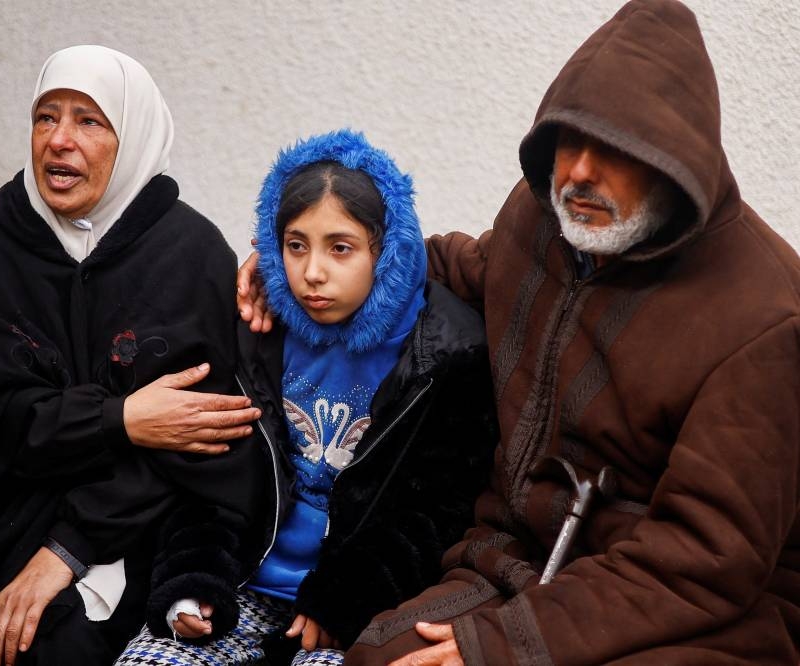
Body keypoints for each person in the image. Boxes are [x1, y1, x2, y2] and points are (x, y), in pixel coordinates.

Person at [240, 1, 800, 663]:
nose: (581, 172)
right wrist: (289, 268)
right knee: (377, 655)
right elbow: (452, 265)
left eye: (613, 148)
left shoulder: (762, 316)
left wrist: (504, 646)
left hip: (683, 610)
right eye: (570, 142)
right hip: (514, 560)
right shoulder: (544, 223)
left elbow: (708, 558)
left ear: (675, 158)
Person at [0, 45, 267, 665]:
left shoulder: (189, 256)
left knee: (64, 639)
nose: (59, 140)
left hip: (133, 528)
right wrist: (121, 420)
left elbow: (207, 444)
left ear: (130, 138)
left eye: (89, 120)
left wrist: (69, 549)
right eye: (46, 117)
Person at [113, 130, 498, 666]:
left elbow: (438, 514)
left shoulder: (447, 353)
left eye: (340, 248)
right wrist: (192, 583)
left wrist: (345, 602)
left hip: (362, 611)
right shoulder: (256, 333)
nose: (312, 273)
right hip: (240, 585)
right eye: (295, 246)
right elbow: (208, 476)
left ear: (386, 251)